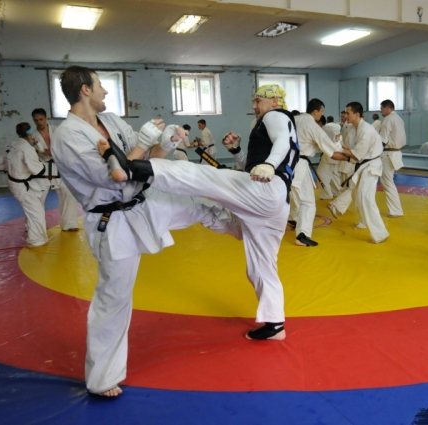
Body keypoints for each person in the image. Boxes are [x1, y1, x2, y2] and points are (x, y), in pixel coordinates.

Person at [50, 66, 243, 397]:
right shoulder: (68, 136)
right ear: (85, 90)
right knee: (114, 299)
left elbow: (144, 161)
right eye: (100, 85)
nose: (105, 91)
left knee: (200, 205)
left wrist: (165, 144)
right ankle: (101, 379)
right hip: (112, 220)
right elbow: (114, 176)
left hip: (144, 202)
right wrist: (141, 142)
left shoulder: (111, 121)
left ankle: (247, 229)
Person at [101, 83, 299, 339]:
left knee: (204, 176)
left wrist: (270, 164)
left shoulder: (275, 115)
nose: (254, 105)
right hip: (275, 203)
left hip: (266, 191)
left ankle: (134, 169)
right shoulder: (279, 123)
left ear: (274, 101)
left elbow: (281, 143)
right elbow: (259, 167)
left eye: (258, 100)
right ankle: (275, 325)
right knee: (262, 265)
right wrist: (238, 152)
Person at [329, 102, 389, 244]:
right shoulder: (352, 128)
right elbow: (350, 148)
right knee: (357, 194)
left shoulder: (366, 130)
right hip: (362, 164)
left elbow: (357, 154)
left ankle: (380, 233)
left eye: (348, 113)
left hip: (371, 165)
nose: (345, 115)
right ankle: (362, 221)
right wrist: (339, 145)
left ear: (356, 114)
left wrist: (340, 150)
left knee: (366, 197)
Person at [289, 99, 345, 246]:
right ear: (315, 111)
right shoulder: (312, 125)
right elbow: (332, 151)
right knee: (307, 202)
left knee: (293, 196)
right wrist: (352, 158)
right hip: (299, 164)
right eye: (321, 111)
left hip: (284, 163)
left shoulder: (293, 119)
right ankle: (302, 234)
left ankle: (294, 220)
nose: (322, 115)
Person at [0, 122, 49, 248]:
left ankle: (32, 231)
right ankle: (36, 240)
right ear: (29, 133)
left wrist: (14, 169)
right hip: (21, 185)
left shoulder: (10, 144)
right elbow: (37, 170)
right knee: (36, 212)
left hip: (14, 182)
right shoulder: (27, 149)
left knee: (33, 208)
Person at [31, 108, 79, 231]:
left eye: (41, 119)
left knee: (67, 194)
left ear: (46, 118)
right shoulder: (32, 137)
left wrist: (47, 151)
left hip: (60, 165)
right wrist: (46, 152)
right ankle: (35, 226)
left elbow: (66, 147)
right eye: (36, 120)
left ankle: (70, 224)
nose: (39, 122)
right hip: (43, 168)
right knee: (38, 197)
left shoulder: (57, 130)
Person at [378, 99, 406, 218]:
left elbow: (383, 140)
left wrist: (374, 152)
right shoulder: (399, 119)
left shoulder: (388, 119)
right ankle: (396, 209)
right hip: (395, 152)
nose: (381, 111)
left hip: (388, 153)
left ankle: (396, 210)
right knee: (388, 181)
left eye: (382, 108)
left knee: (387, 182)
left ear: (388, 108)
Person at [317, 118, 342, 199]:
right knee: (334, 175)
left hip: (330, 157)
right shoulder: (338, 137)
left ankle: (327, 195)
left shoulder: (330, 131)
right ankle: (336, 192)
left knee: (322, 175)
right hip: (334, 157)